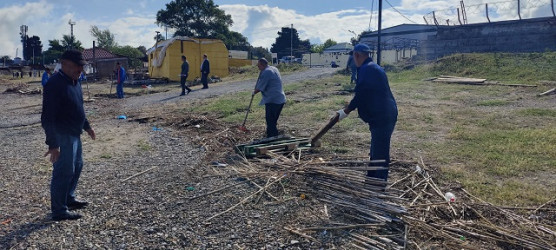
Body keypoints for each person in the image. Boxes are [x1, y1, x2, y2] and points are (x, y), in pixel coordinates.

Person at [41, 49, 96, 221]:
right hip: (62, 135)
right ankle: (58, 210)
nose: (80, 70)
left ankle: (69, 198)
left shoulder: (75, 82)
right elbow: (47, 117)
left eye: (81, 66)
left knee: (77, 166)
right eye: (76, 66)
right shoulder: (54, 84)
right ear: (64, 64)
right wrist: (53, 144)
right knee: (63, 172)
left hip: (75, 133)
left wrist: (87, 126)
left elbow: (78, 107)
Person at [337, 44, 398, 182]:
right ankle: (372, 180)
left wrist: (346, 111)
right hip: (382, 115)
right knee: (377, 150)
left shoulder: (367, 69)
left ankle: (378, 184)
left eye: (353, 56)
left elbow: (361, 94)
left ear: (357, 55)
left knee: (380, 153)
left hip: (382, 116)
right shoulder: (371, 67)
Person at [253, 58, 287, 138]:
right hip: (280, 99)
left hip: (273, 100)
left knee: (270, 121)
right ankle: (270, 136)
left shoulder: (267, 72)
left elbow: (260, 87)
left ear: (262, 65)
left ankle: (272, 138)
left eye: (259, 66)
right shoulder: (274, 68)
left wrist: (254, 92)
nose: (258, 68)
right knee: (273, 121)